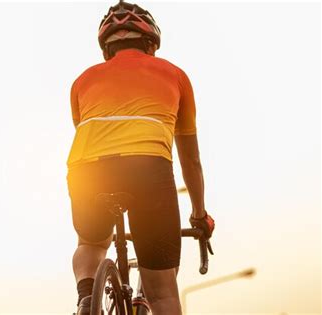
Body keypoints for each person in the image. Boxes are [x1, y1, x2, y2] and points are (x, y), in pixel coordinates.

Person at [66, 2, 215, 314]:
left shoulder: (81, 81)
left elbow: (88, 134)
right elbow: (191, 160)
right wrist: (199, 215)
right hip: (148, 169)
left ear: (106, 47)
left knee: (91, 244)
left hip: (86, 168)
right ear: (151, 43)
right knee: (162, 294)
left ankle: (85, 300)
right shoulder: (175, 75)